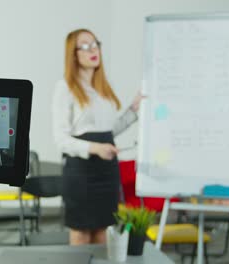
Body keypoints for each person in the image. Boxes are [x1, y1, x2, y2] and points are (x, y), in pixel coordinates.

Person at [52, 29, 145, 245]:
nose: (93, 49)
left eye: (95, 44)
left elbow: (109, 130)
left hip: (107, 171)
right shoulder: (65, 88)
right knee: (81, 231)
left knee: (103, 231)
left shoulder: (102, 89)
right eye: (84, 46)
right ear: (73, 55)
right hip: (81, 171)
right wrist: (95, 148)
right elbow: (61, 139)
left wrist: (133, 109)